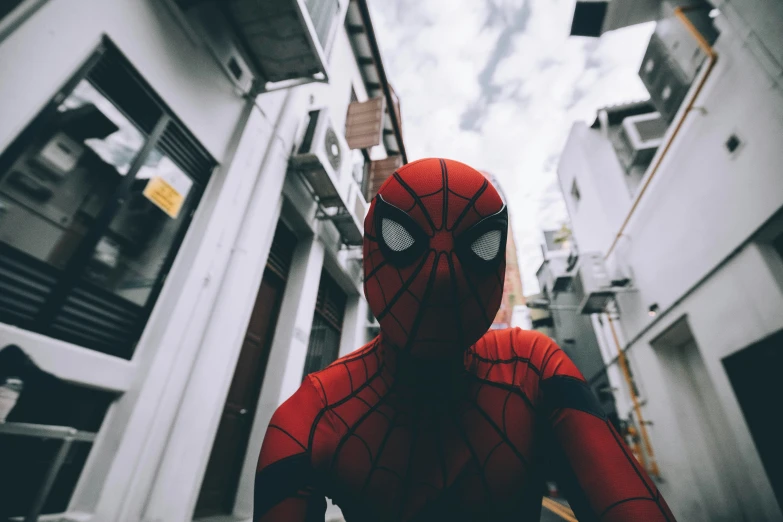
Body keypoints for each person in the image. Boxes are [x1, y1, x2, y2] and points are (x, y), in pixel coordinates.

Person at [254, 158, 676, 521]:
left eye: (478, 247)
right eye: (405, 241)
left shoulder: (533, 370)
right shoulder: (310, 421)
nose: (442, 275)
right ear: (371, 251)